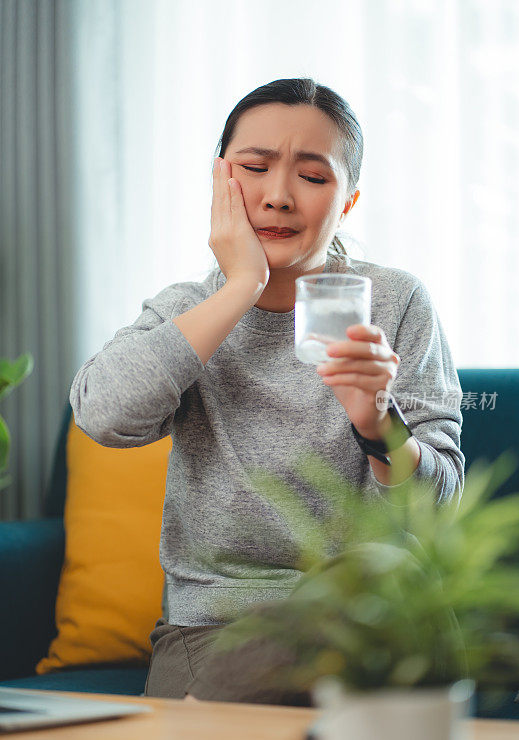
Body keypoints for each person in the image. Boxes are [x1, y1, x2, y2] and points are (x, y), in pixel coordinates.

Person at [70, 77, 465, 705]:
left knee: (378, 571)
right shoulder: (192, 311)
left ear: (349, 200)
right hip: (212, 633)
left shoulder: (394, 303)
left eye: (312, 177)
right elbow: (103, 415)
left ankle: (219, 715)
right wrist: (238, 288)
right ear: (222, 179)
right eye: (255, 167)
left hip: (369, 622)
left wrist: (377, 423)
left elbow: (435, 509)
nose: (278, 196)